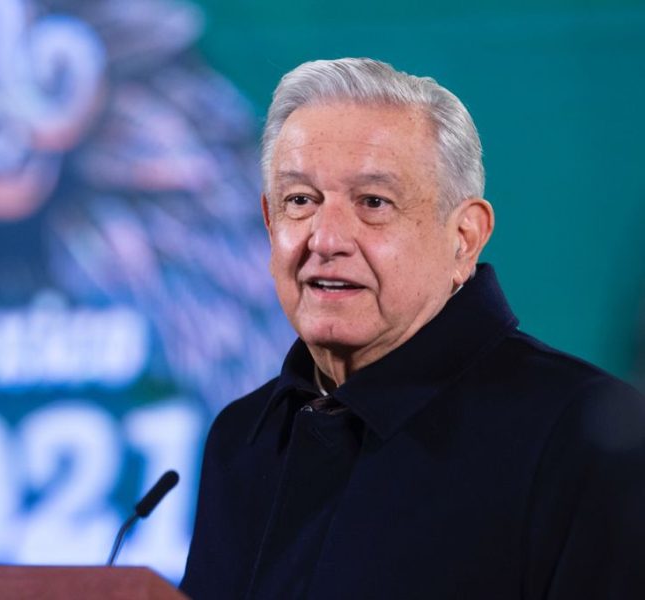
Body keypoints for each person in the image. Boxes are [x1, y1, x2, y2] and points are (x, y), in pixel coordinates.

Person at [179, 58, 645, 599]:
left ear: (464, 238)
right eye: (300, 201)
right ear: (268, 220)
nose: (325, 239)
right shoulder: (242, 437)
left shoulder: (581, 438)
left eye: (373, 203)